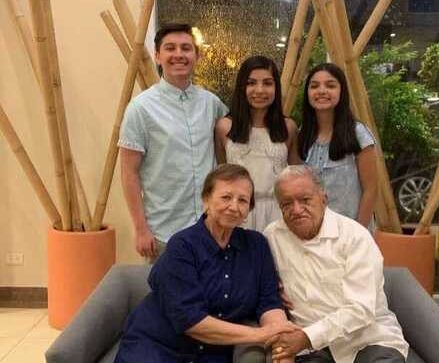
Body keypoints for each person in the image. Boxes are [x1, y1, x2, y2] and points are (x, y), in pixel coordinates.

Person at [114, 164, 296, 363]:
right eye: (226, 197)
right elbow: (190, 320)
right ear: (206, 200)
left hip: (213, 354)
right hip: (158, 345)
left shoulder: (257, 245)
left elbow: (268, 303)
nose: (234, 206)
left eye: (243, 200)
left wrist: (281, 339)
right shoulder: (182, 246)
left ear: (249, 209)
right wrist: (260, 335)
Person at [263, 165, 409, 363]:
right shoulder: (272, 237)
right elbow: (257, 287)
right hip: (313, 350)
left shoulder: (355, 237)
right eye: (287, 203)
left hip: (368, 340)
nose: (296, 210)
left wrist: (307, 337)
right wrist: (273, 290)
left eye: (305, 200)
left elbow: (361, 309)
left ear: (323, 198)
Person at [118, 23, 228, 260]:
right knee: (166, 296)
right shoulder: (140, 109)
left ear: (197, 56)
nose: (179, 54)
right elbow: (128, 173)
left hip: (210, 228)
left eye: (186, 48)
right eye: (170, 48)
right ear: (158, 56)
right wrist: (140, 229)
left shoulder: (212, 104)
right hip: (164, 232)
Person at [215, 55, 299, 232]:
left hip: (277, 214)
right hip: (236, 213)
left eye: (268, 83)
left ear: (276, 87)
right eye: (251, 83)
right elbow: (221, 175)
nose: (259, 90)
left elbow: (296, 176)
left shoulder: (288, 128)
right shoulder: (224, 127)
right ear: (241, 87)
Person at [298, 63, 377, 229]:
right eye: (314, 86)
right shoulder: (302, 135)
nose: (321, 91)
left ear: (342, 91)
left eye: (330, 85)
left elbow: (371, 190)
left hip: (349, 232)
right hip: (312, 232)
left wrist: (359, 233)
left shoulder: (358, 134)